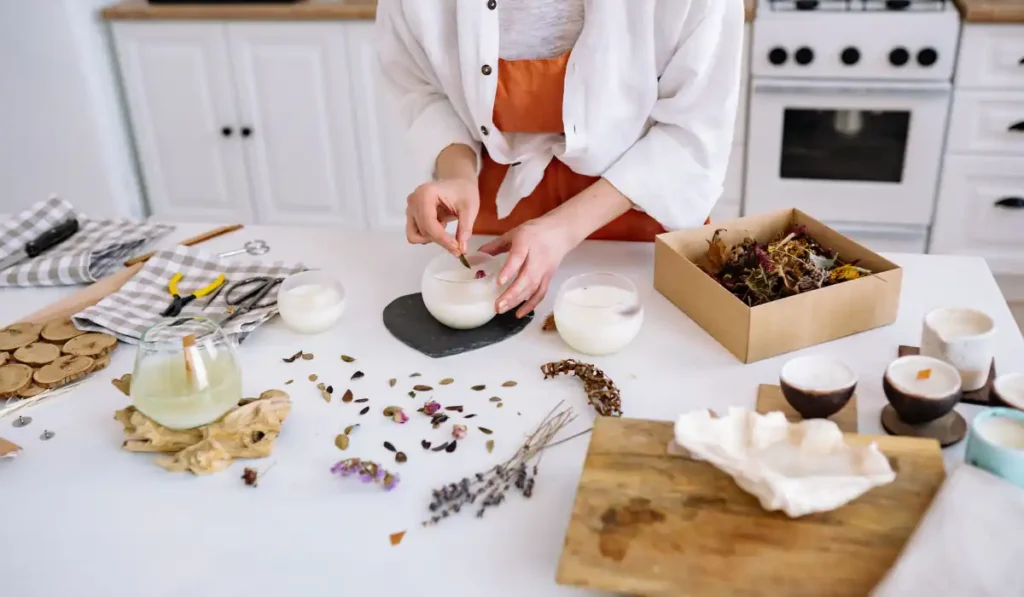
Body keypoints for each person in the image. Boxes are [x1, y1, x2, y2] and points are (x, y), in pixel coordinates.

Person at [377, 0, 744, 318]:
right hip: (495, 206)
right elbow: (421, 86)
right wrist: (455, 174)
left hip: (636, 207)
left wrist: (561, 229)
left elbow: (694, 131)